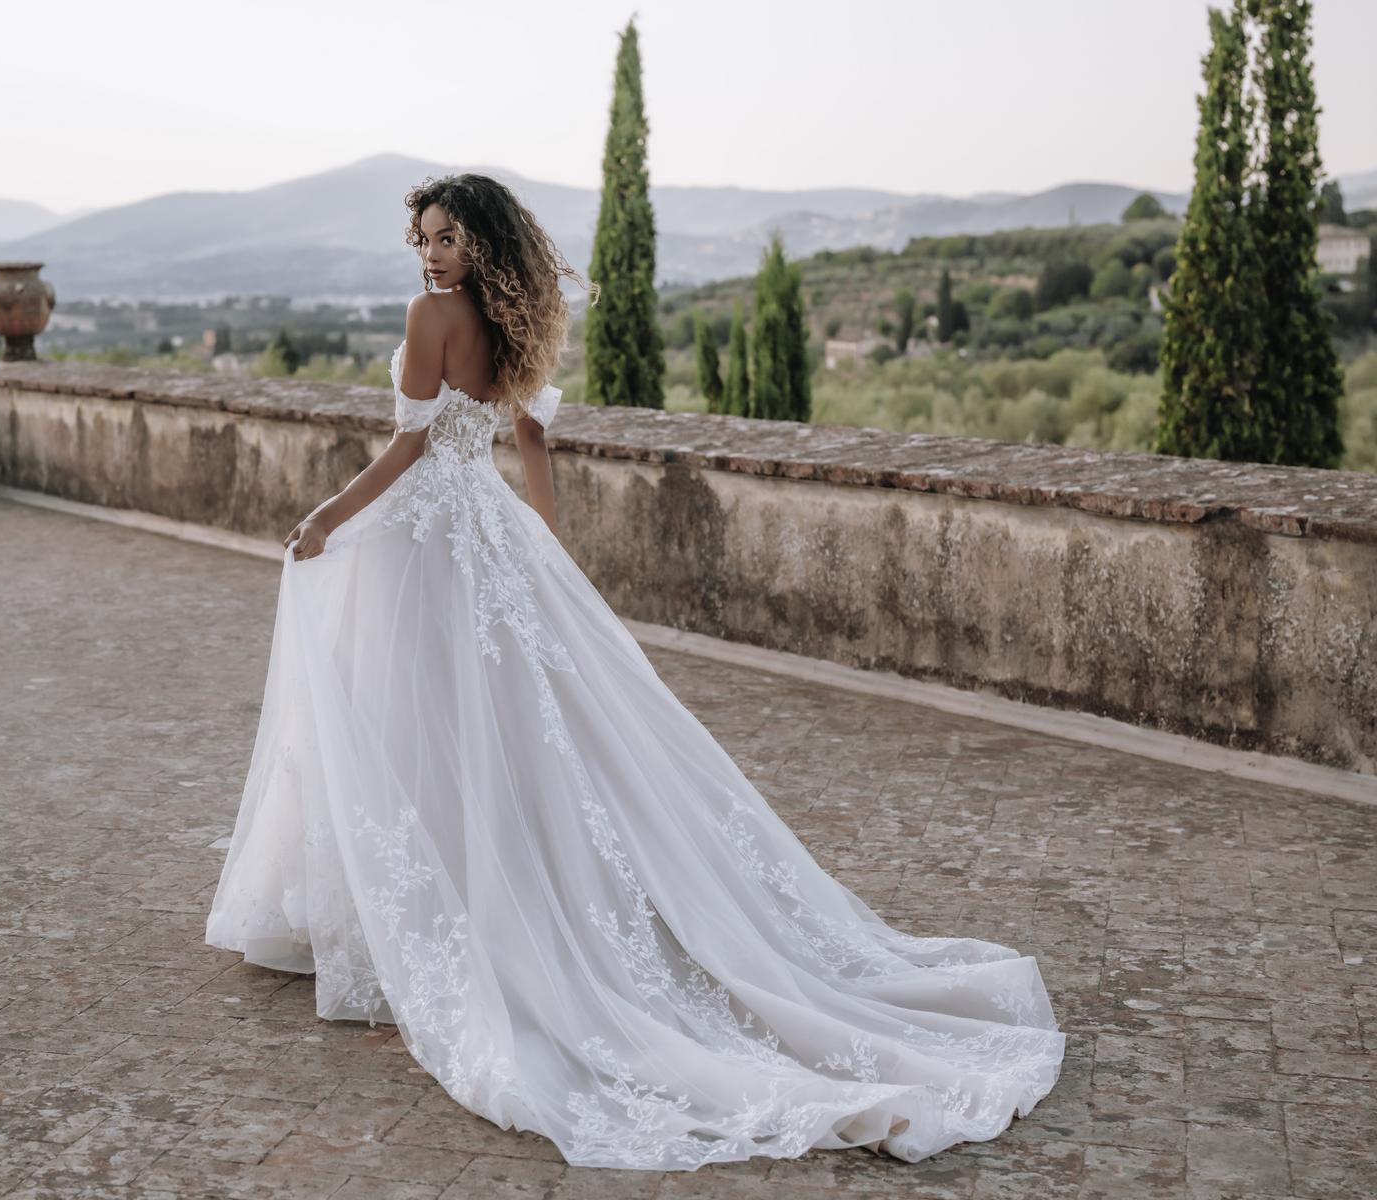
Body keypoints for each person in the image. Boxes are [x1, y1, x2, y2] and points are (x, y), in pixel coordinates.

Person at [204, 172, 1065, 1170]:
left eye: (446, 238)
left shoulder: (433, 314)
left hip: (429, 539)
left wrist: (324, 518)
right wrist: (546, 545)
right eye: (422, 240)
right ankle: (487, 903)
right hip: (489, 532)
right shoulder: (508, 318)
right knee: (499, 731)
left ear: (479, 243)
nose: (431, 255)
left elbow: (405, 450)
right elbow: (525, 432)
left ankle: (456, 925)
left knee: (419, 723)